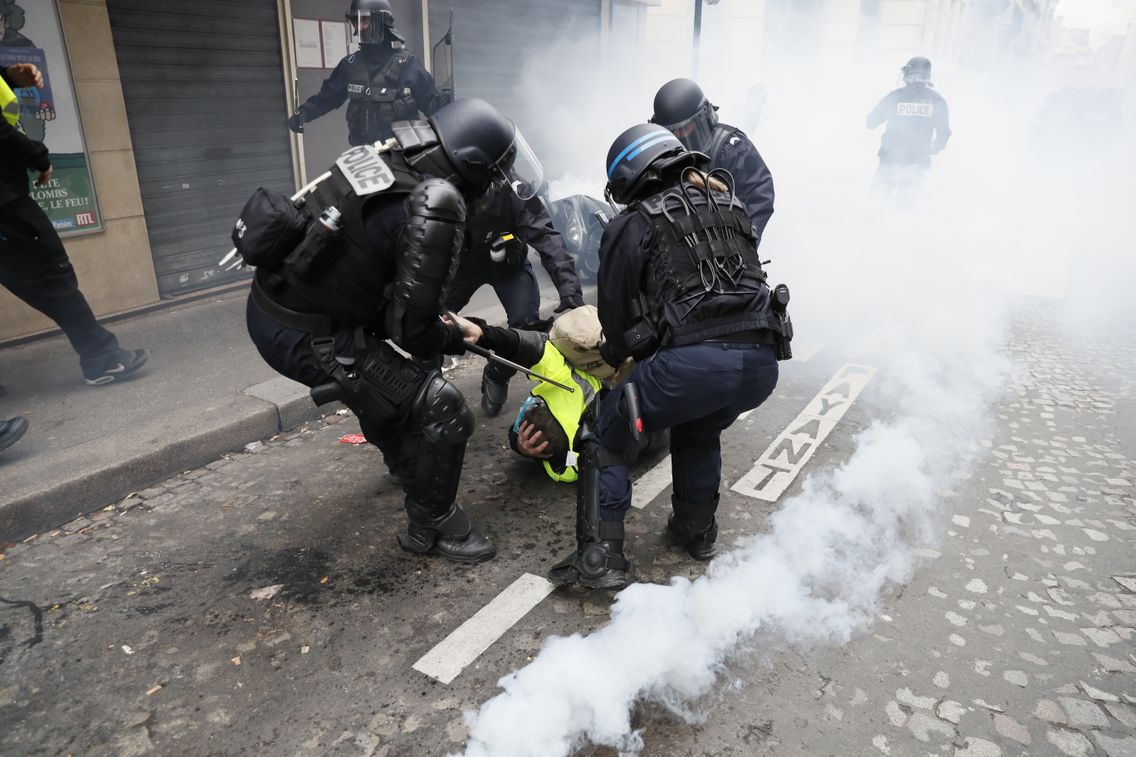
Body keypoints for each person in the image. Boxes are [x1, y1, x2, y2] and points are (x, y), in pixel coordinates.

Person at [243, 97, 543, 564]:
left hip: (282, 306)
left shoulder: (387, 157)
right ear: (472, 164)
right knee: (441, 406)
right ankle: (433, 524)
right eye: (494, 173)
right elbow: (413, 334)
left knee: (384, 390)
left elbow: (370, 272)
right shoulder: (435, 203)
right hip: (305, 331)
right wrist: (457, 335)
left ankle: (408, 467)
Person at [548, 124, 786, 589]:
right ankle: (696, 531)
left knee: (601, 427)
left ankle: (600, 559)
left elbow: (616, 324)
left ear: (628, 179)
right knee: (698, 425)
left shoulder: (632, 223)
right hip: (761, 365)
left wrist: (622, 362)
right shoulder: (728, 203)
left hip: (694, 367)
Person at [1, 63, 148, 386]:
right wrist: (40, 157)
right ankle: (103, 360)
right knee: (52, 275)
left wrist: (7, 76)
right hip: (5, 204)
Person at [447, 184, 584, 417]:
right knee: (427, 319)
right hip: (462, 268)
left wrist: (568, 286)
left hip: (509, 266)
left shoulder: (515, 189)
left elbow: (544, 234)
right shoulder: (446, 188)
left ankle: (498, 372)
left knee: (525, 326)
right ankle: (426, 394)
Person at [287, 0, 445, 146]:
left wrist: (451, 106)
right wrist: (304, 113)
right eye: (356, 22)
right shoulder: (350, 65)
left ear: (381, 23)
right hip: (364, 157)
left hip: (403, 154)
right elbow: (327, 98)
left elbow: (432, 103)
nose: (359, 27)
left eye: (365, 21)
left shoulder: (408, 64)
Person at [650, 78, 775, 244]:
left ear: (704, 117)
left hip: (728, 243)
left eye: (686, 128)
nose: (681, 135)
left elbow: (758, 195)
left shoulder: (731, 149)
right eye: (674, 131)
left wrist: (743, 242)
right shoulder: (663, 154)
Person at [866, 56, 951, 205]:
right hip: (917, 162)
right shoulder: (937, 101)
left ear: (911, 74)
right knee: (904, 206)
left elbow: (871, 123)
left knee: (877, 202)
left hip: (890, 159)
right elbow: (943, 133)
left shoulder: (895, 97)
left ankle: (874, 226)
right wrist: (932, 149)